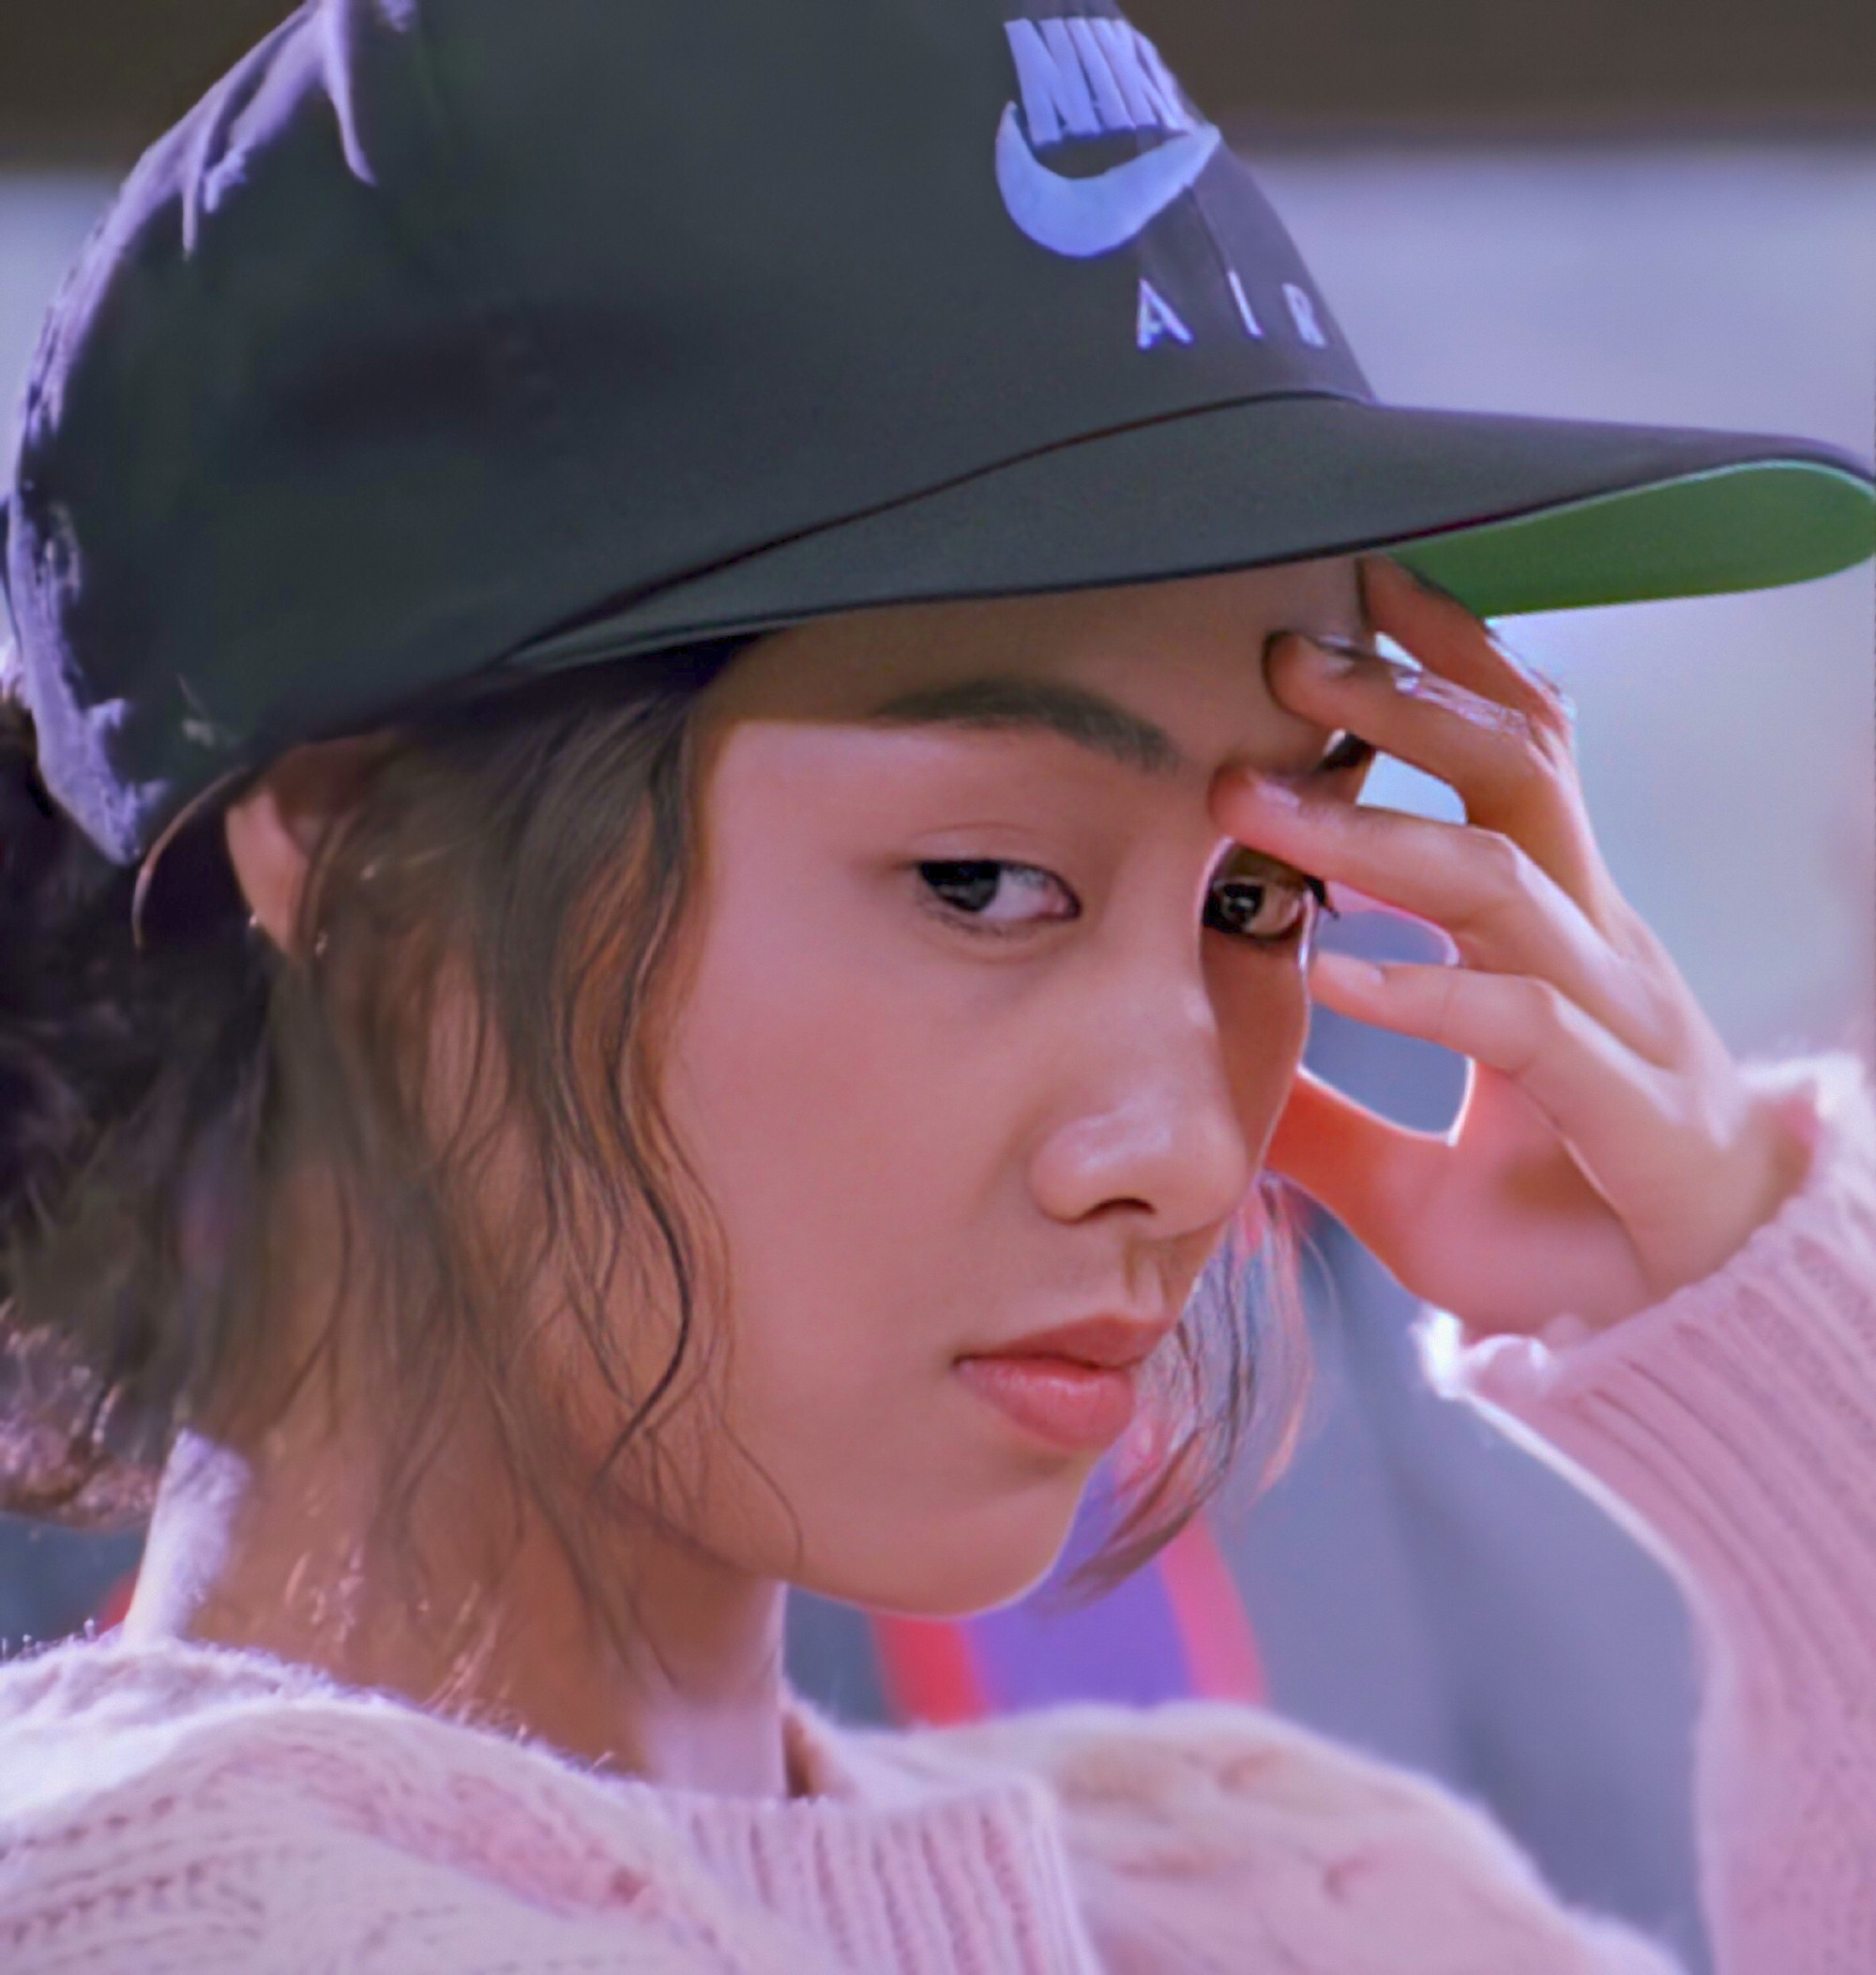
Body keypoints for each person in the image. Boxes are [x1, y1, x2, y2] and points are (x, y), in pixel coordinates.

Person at [1, 1, 1872, 1969]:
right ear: (362, 856)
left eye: (1260, 895)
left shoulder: (1270, 1887)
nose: (1185, 1157)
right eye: (983, 881)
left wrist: (1751, 1313)